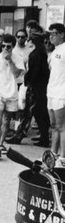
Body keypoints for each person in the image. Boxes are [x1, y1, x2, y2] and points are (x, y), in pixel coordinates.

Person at [0, 34, 24, 158]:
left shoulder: (18, 58)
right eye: (3, 46)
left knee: (6, 122)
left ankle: (1, 144)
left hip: (11, 94)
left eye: (8, 46)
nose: (5, 49)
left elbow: (17, 74)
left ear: (13, 47)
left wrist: (10, 60)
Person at [24, 33, 50, 148]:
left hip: (37, 86)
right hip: (43, 86)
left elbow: (34, 71)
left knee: (38, 112)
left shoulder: (34, 55)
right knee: (41, 112)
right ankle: (44, 136)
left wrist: (29, 81)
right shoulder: (42, 53)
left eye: (29, 40)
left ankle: (44, 138)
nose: (27, 42)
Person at [47, 23, 65, 166]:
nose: (51, 36)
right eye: (50, 33)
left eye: (53, 33)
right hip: (51, 92)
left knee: (62, 126)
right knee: (53, 125)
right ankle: (53, 153)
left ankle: (63, 158)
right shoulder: (54, 51)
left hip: (61, 94)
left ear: (62, 34)